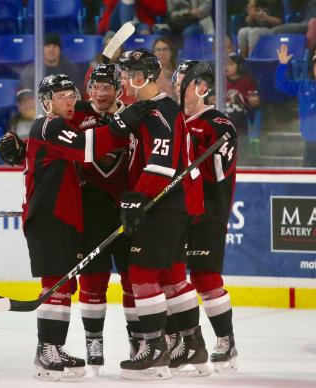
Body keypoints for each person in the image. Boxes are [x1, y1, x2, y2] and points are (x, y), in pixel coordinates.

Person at [0, 74, 155, 381]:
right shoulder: (49, 125)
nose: (70, 100)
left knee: (64, 284)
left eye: (72, 95)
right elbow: (89, 147)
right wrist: (122, 123)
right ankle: (46, 351)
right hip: (48, 216)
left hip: (65, 216)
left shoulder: (54, 128)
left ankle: (54, 346)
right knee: (55, 283)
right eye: (61, 96)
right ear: (46, 102)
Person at [115, 48, 206, 380]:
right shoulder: (155, 109)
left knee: (140, 272)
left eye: (126, 77)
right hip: (172, 204)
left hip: (163, 204)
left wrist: (138, 198)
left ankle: (154, 350)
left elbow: (162, 164)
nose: (124, 83)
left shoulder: (158, 113)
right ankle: (194, 345)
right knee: (171, 276)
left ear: (141, 78)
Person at [173, 60, 239, 373]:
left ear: (201, 87)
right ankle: (180, 341)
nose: (177, 87)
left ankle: (226, 341)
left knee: (204, 278)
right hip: (174, 212)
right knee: (170, 278)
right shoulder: (171, 121)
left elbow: (217, 172)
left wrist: (187, 144)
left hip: (207, 212)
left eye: (183, 82)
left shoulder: (219, 125)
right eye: (176, 81)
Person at [69, 64, 134, 374]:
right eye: (96, 87)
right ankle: (93, 341)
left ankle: (139, 341)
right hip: (91, 207)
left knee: (134, 277)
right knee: (93, 277)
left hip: (129, 208)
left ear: (118, 89)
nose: (101, 93)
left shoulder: (133, 118)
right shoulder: (77, 115)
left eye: (107, 87)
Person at [276, 41, 316, 167]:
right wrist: (283, 65)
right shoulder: (303, 85)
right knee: (308, 179)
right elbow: (281, 84)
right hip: (309, 142)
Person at [224, 53, 262, 161]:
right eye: (225, 64)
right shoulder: (221, 80)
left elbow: (254, 100)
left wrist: (241, 99)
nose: (226, 67)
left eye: (230, 64)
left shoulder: (247, 80)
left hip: (241, 119)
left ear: (239, 66)